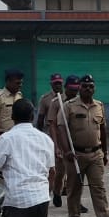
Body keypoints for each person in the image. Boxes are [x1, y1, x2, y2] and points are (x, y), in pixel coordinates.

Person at [62, 74, 109, 217]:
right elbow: (62, 129)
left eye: (91, 86)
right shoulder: (69, 106)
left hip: (95, 153)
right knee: (74, 188)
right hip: (76, 154)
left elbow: (102, 129)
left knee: (98, 187)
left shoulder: (99, 105)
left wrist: (105, 152)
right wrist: (66, 151)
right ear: (79, 88)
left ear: (94, 88)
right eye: (85, 86)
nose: (88, 89)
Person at [36, 73, 68, 207]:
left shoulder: (69, 97)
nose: (58, 85)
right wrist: (38, 137)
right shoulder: (46, 99)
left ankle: (60, 191)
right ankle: (51, 193)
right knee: (55, 169)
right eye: (55, 83)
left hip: (68, 137)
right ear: (51, 84)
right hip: (52, 138)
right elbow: (40, 119)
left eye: (60, 83)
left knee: (67, 168)